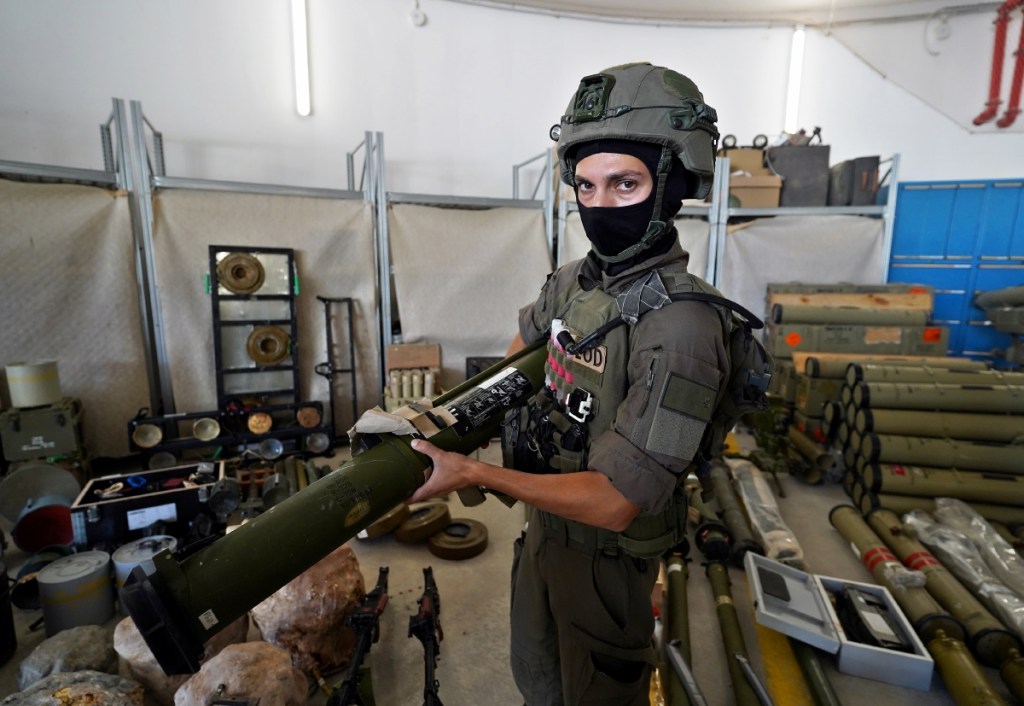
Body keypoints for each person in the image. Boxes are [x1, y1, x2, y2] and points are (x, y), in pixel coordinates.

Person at [409, 62, 729, 706]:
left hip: (608, 562)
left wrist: (474, 475)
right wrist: (442, 421)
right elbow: (513, 365)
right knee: (538, 680)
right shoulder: (572, 282)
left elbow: (615, 501)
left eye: (624, 183)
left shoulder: (684, 326)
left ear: (672, 186)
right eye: (585, 185)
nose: (599, 205)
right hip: (544, 531)